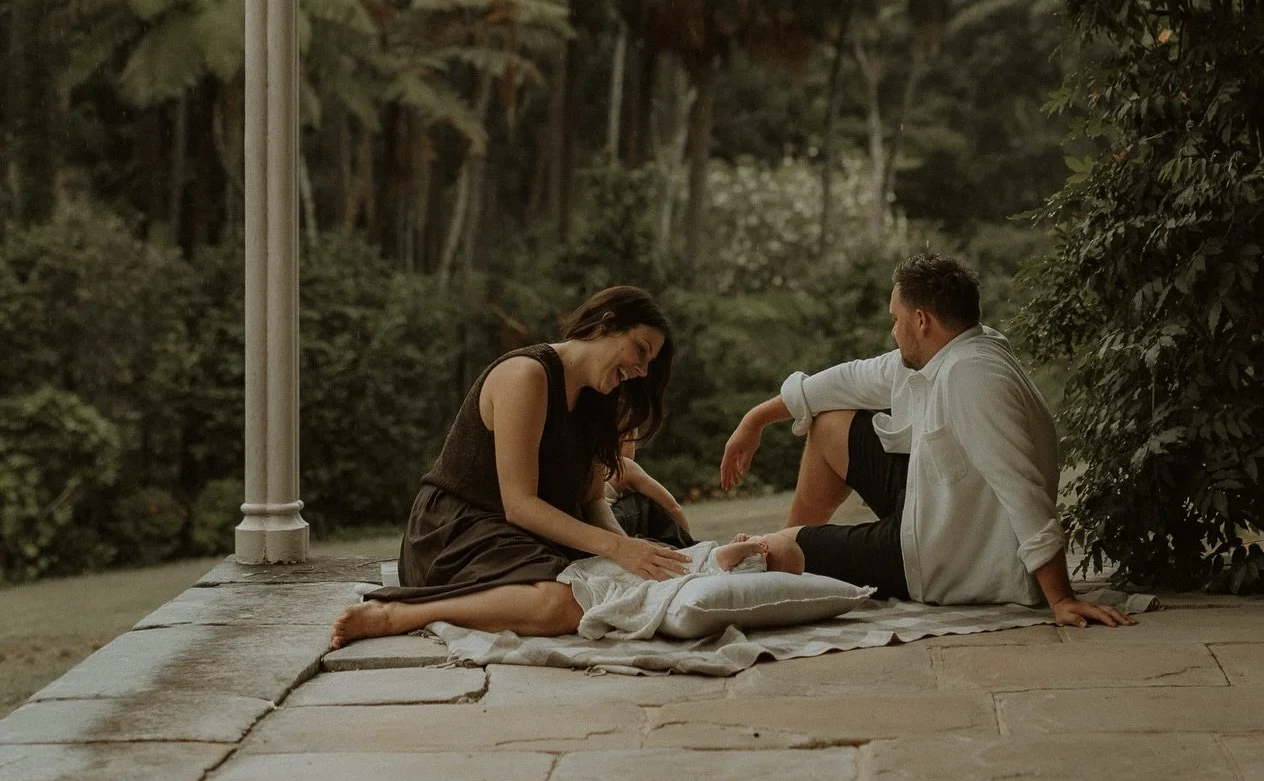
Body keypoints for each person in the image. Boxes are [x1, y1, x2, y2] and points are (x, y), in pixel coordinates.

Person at [716, 250, 1133, 628]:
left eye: (896, 319)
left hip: (939, 556)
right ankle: (798, 548)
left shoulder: (972, 377)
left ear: (921, 320)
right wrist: (755, 420)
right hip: (930, 503)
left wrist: (1060, 597)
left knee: (776, 548)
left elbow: (1021, 487)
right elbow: (851, 379)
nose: (893, 331)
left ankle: (785, 552)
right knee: (829, 425)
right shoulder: (956, 349)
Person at [330, 285, 692, 648]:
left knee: (629, 558)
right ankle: (402, 614)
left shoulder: (600, 402)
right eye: (641, 351)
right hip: (457, 531)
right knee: (565, 604)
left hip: (522, 538)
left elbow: (593, 501)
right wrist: (617, 550)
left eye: (649, 364)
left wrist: (629, 554)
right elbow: (519, 506)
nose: (642, 370)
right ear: (606, 324)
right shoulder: (527, 375)